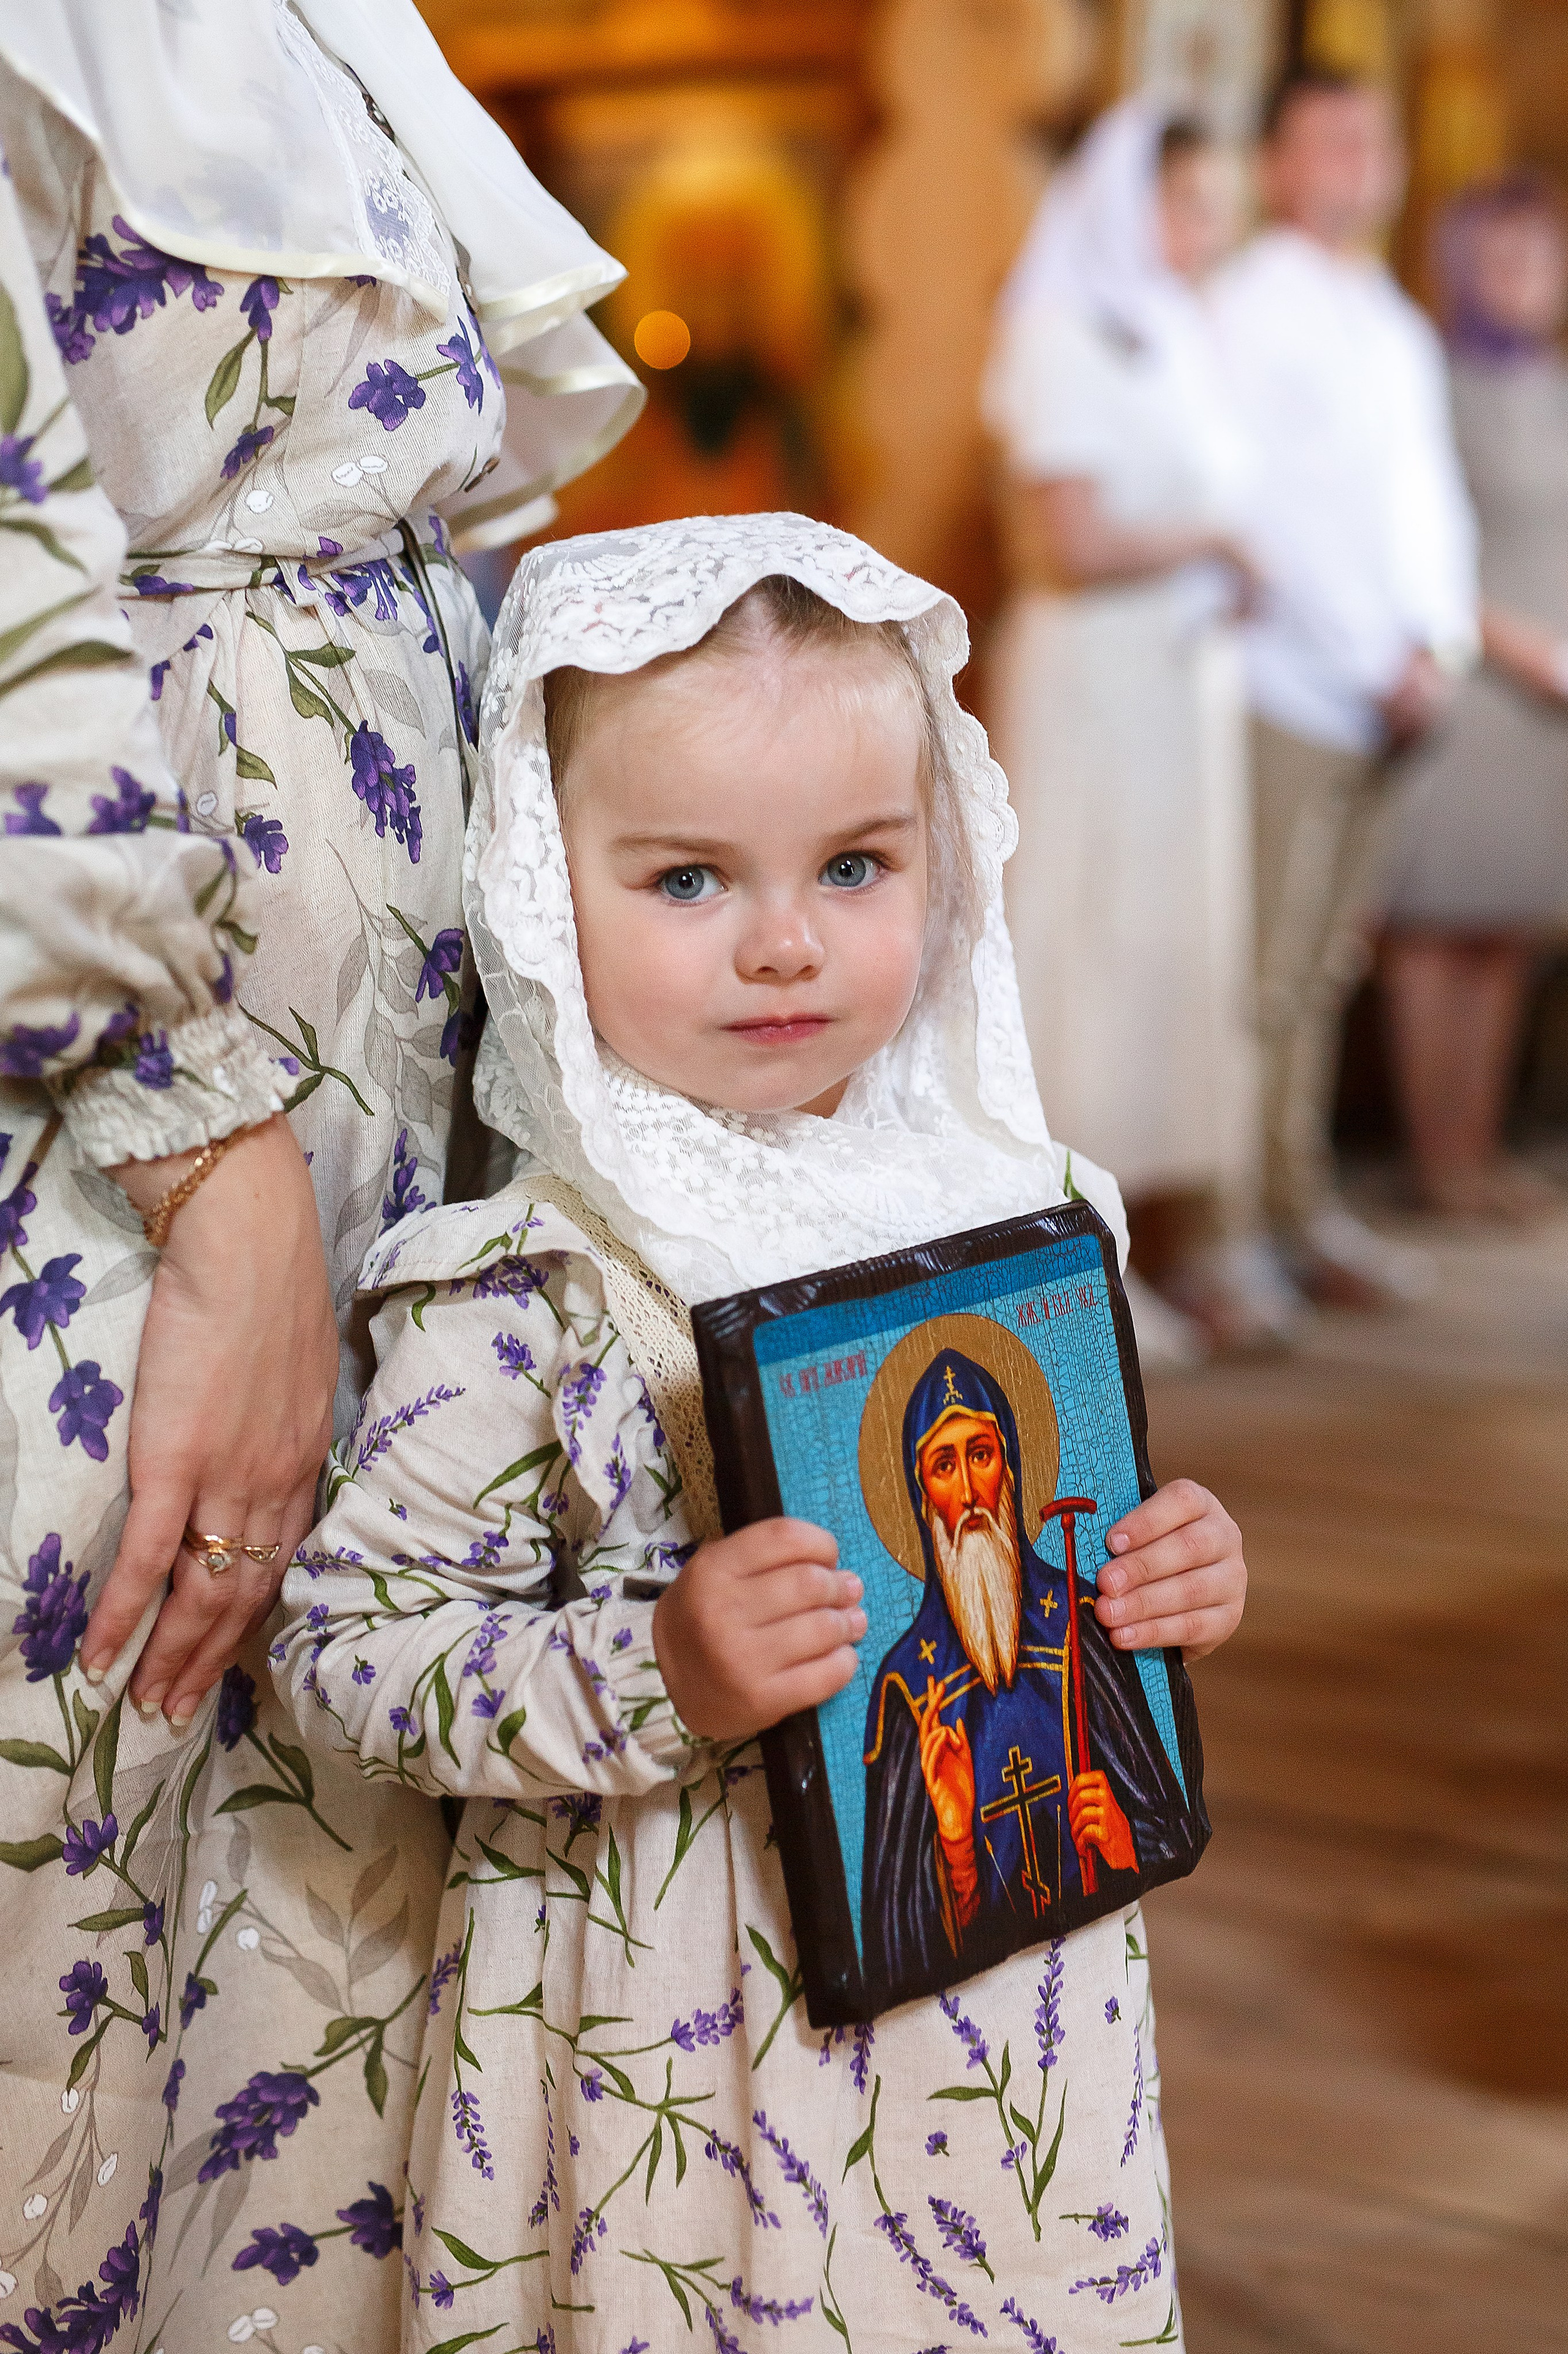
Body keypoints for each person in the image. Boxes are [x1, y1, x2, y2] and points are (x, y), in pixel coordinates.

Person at [271, 513, 1249, 2348]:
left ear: (941, 862)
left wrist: (1168, 1578)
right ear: (546, 894)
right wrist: (661, 1665)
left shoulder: (1016, 1211)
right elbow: (339, 1657)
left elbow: (1059, 1565)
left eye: (855, 865)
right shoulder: (535, 1287)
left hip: (1006, 2037)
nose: (785, 942)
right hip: (693, 2051)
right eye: (688, 880)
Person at [0, 4, 639, 2342]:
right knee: (93, 1794)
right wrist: (214, 1163)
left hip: (407, 1046)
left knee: (320, 1868)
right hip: (112, 1068)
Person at [984, 100, 1296, 1362]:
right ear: (1127, 201)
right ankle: (1073, 1262)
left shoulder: (1171, 332)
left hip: (1177, 695)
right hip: (1094, 685)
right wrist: (1216, 543)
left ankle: (1167, 1238)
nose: (1204, 230)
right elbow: (1069, 539)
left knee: (1175, 953)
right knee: (1087, 947)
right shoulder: (1059, 332)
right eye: (1186, 203)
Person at [1212, 69, 1478, 1305]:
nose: (1354, 161)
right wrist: (1375, 656)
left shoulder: (1388, 311)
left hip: (1393, 687)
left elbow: (1421, 498)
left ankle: (1299, 1198)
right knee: (1260, 969)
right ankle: (1239, 1217)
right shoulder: (1250, 306)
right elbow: (1265, 510)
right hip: (1294, 682)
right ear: (1275, 163)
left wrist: (1437, 638)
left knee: (1323, 968)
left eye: (1370, 137)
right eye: (1327, 139)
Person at [862, 1347, 1188, 1995]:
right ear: (918, 1491)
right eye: (942, 1465)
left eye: (979, 1454)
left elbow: (1168, 1825)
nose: (966, 1491)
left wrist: (1126, 1842)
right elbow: (889, 1938)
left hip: (1090, 1977)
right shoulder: (907, 1688)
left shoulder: (1076, 1623)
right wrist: (956, 1851)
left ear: (1007, 1467)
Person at [1382, 178, 1568, 1220]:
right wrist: (1521, 644)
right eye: (1499, 259)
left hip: (1553, 709)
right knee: (1438, 924)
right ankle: (1436, 1157)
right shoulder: (1436, 387)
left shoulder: (1562, 385)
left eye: (1538, 257)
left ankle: (1480, 1149)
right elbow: (1420, 545)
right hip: (1482, 684)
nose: (1522, 278)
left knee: (1506, 929)